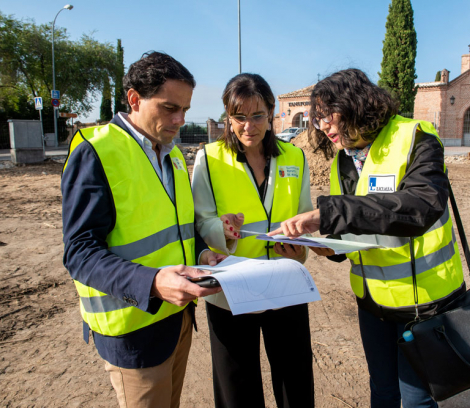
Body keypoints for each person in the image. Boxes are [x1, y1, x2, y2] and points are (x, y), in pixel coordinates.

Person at [269, 69, 466, 408]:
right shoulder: (342, 163)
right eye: (318, 121)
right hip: (373, 302)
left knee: (416, 398)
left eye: (328, 115)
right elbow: (349, 237)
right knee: (384, 391)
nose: (324, 127)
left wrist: (328, 215)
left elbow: (420, 206)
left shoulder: (416, 137)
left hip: (423, 300)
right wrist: (321, 246)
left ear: (354, 104)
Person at [61, 51, 225, 408]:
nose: (180, 119)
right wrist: (151, 283)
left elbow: (178, 225)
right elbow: (79, 253)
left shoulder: (174, 154)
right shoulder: (96, 152)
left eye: (185, 109)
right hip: (132, 330)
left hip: (177, 320)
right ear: (134, 99)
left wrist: (201, 251)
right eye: (170, 108)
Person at [191, 73, 314, 408]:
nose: (249, 126)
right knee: (237, 386)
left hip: (286, 285)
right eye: (239, 117)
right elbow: (200, 221)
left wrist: (299, 251)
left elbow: (303, 216)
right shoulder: (209, 159)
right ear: (228, 118)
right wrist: (222, 229)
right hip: (230, 290)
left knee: (295, 382)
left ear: (271, 112)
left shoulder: (294, 157)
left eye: (258, 115)